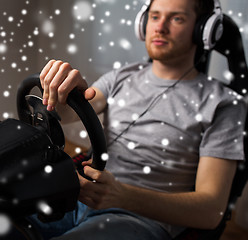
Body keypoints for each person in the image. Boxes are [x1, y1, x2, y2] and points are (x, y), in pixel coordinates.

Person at [30, 0, 247, 239]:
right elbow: (71, 114)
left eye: (177, 18)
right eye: (155, 16)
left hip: (137, 219)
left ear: (203, 29)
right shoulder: (121, 77)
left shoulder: (223, 104)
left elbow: (210, 211)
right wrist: (65, 94)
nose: (160, 27)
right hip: (77, 195)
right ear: (143, 23)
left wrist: (123, 196)